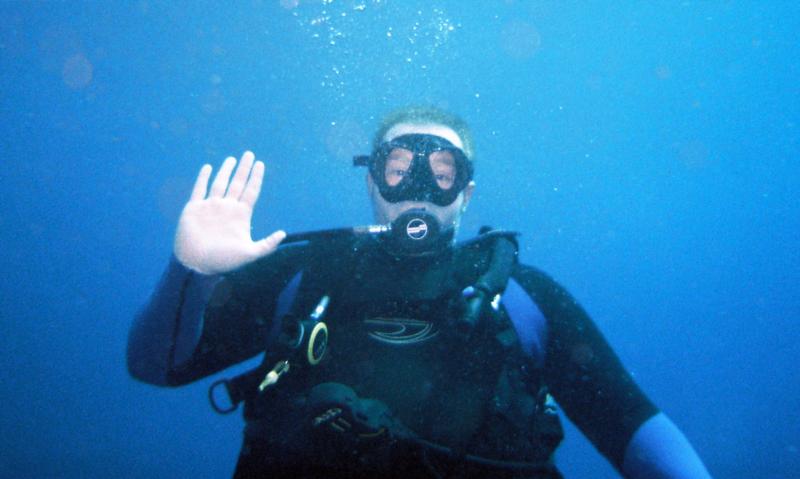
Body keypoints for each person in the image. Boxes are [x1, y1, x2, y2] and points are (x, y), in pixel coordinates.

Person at [128, 106, 712, 478]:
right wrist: (191, 272)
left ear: (466, 192)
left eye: (440, 174)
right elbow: (158, 366)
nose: (417, 190)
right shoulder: (303, 275)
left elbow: (632, 427)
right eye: (398, 167)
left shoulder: (520, 295)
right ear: (371, 181)